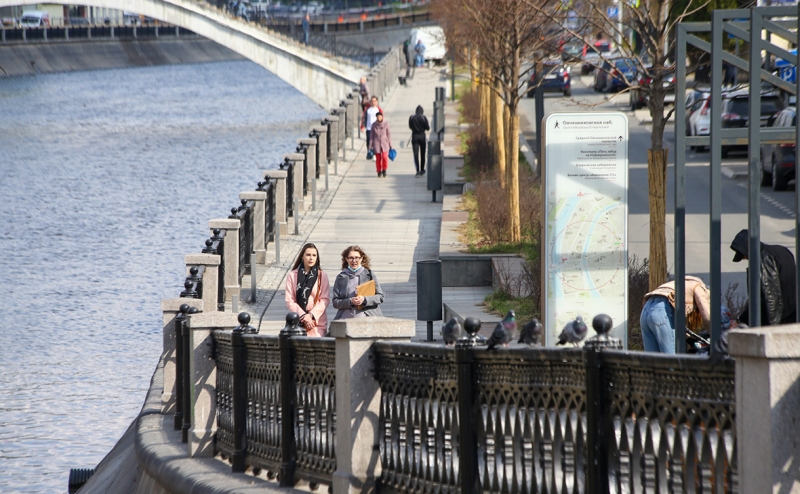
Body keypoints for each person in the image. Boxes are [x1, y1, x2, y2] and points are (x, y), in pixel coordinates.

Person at [730, 228, 797, 326]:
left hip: (781, 318)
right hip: (795, 312)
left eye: (743, 255)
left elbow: (765, 297)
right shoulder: (781, 250)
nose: (744, 258)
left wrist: (741, 320)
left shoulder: (763, 261)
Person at [640, 276, 712, 353]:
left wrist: (689, 338)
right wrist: (712, 336)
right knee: (672, 359)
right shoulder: (700, 287)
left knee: (653, 360)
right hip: (662, 310)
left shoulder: (678, 284)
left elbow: (675, 326)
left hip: (645, 311)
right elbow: (707, 316)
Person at [284, 243, 330, 337]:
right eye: (308, 255)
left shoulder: (322, 276)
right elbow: (290, 300)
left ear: (317, 258)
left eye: (314, 255)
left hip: (316, 322)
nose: (311, 258)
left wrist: (311, 316)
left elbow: (324, 299)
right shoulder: (292, 275)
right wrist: (303, 316)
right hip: (298, 321)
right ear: (302, 257)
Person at [332, 246, 384, 319]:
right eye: (351, 258)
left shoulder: (369, 274)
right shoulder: (341, 277)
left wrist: (364, 299)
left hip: (367, 318)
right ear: (346, 259)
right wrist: (350, 301)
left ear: (361, 258)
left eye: (357, 258)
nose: (354, 261)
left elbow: (380, 297)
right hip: (345, 319)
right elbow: (335, 302)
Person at [408, 105, 430, 177]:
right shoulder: (423, 117)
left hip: (414, 136)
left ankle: (417, 170)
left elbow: (410, 126)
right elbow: (427, 128)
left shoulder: (411, 117)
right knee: (422, 153)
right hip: (422, 136)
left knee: (415, 154)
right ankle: (422, 169)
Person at [370, 111, 392, 178]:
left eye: (380, 117)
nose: (379, 118)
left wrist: (391, 145)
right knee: (378, 158)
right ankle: (379, 171)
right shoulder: (374, 125)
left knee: (385, 157)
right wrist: (370, 146)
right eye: (378, 117)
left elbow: (388, 135)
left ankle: (384, 169)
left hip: (384, 143)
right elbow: (371, 136)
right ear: (376, 118)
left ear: (382, 117)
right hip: (376, 144)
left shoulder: (386, 124)